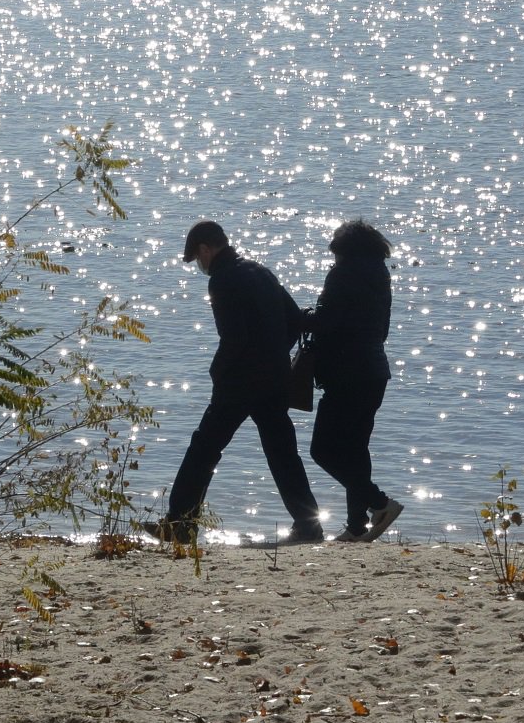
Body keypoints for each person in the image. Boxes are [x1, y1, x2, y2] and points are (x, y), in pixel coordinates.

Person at [152, 221, 323, 546]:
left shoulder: (223, 280)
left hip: (240, 382)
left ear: (206, 249)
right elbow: (296, 319)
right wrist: (275, 356)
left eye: (198, 259)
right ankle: (309, 526)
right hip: (275, 378)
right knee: (283, 453)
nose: (200, 266)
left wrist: (218, 372)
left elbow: (234, 338)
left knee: (203, 449)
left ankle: (180, 525)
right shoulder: (261, 271)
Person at [304, 219, 403, 542]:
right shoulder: (380, 273)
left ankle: (380, 504)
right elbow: (381, 329)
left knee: (323, 450)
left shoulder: (343, 274)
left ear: (342, 250)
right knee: (355, 450)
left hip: (347, 373)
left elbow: (328, 321)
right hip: (375, 371)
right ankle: (356, 524)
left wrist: (298, 318)